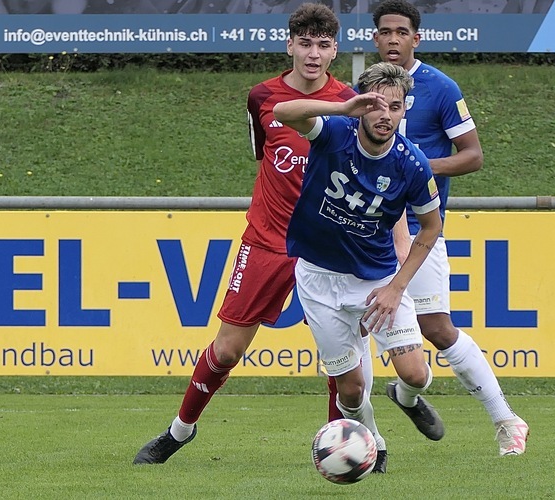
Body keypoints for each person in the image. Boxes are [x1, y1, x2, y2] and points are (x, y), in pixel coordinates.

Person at [133, 3, 393, 472]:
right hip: (267, 241)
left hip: (327, 250)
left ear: (335, 49)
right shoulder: (262, 97)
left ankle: (354, 443)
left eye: (323, 45)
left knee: (341, 359)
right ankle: (180, 431)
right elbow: (264, 154)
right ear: (289, 44)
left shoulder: (354, 101)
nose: (313, 54)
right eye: (305, 43)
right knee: (228, 348)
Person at [329, 0, 530, 456]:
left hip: (419, 226)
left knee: (437, 328)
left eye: (403, 31)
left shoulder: (440, 87)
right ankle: (372, 441)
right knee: (356, 329)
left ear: (416, 38)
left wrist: (415, 167)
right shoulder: (357, 92)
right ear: (374, 38)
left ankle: (506, 419)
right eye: (385, 32)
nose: (394, 39)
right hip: (359, 229)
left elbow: (473, 156)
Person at [274, 62, 446, 460]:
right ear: (362, 105)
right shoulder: (334, 133)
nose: (385, 114)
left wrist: (396, 287)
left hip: (377, 281)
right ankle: (373, 442)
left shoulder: (412, 164)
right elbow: (282, 112)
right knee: (350, 391)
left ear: (405, 110)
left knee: (416, 375)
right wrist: (341, 107)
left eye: (395, 106)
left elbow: (431, 228)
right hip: (318, 279)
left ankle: (406, 398)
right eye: (376, 104)